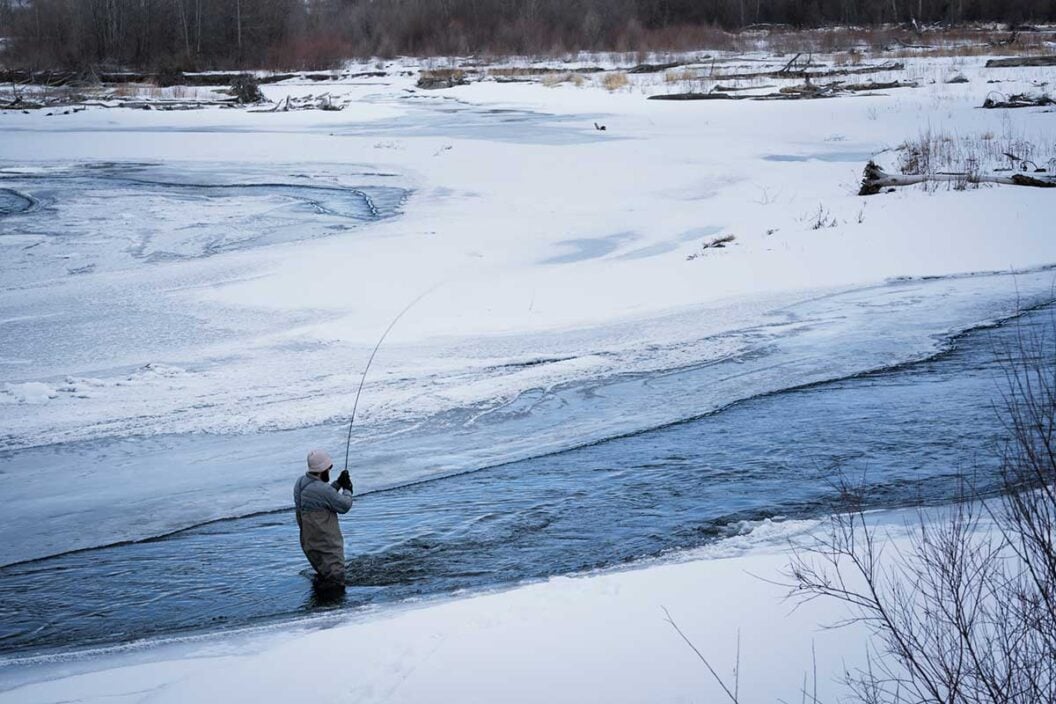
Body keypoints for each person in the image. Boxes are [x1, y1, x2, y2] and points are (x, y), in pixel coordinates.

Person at [293, 449, 354, 588]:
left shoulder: (300, 483)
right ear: (322, 470)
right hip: (327, 544)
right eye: (329, 468)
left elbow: (322, 497)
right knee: (336, 582)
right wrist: (348, 489)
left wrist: (338, 483)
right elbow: (344, 506)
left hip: (309, 543)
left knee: (323, 577)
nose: (329, 470)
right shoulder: (321, 489)